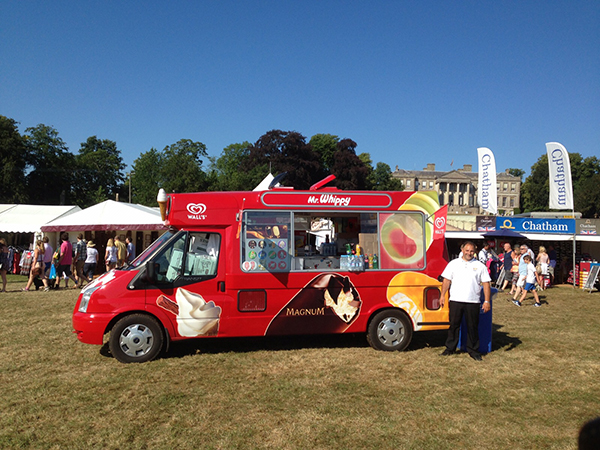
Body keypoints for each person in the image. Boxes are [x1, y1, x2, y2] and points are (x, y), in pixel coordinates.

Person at [440, 241, 491, 361]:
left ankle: (473, 350)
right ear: (462, 250)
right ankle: (450, 348)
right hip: (456, 300)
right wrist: (442, 295)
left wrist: (487, 301)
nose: (469, 253)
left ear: (475, 252)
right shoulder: (453, 264)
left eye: (472, 251)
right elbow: (446, 280)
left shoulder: (480, 266)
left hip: (473, 301)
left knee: (472, 327)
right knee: (453, 325)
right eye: (467, 250)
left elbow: (486, 284)